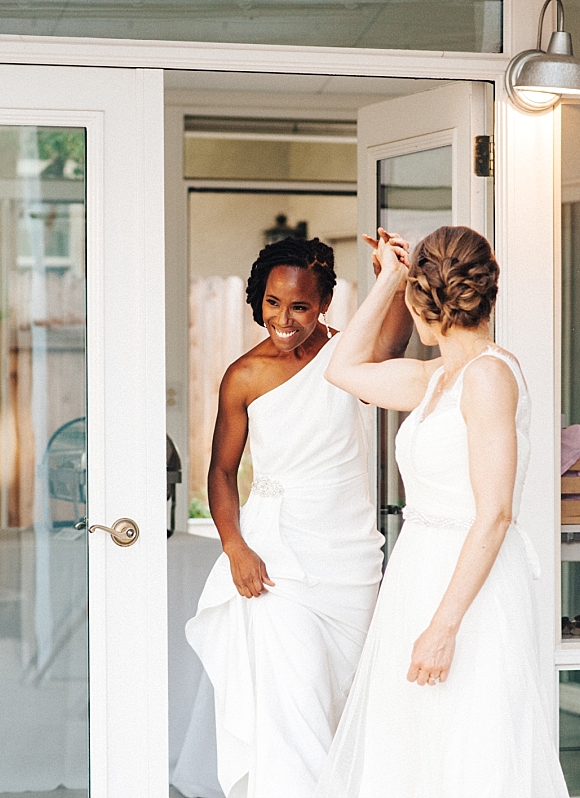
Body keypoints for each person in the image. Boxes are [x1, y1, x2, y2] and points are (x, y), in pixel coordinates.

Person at [315, 226, 570, 797]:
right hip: (419, 574)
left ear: (423, 304)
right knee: (413, 746)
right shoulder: (436, 379)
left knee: (471, 744)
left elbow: (495, 514)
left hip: (469, 590)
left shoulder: (488, 377)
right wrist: (387, 280)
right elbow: (343, 369)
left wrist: (443, 626)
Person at [185, 235, 412, 798]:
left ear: (324, 305)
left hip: (348, 556)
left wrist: (396, 276)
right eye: (272, 303)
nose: (283, 319)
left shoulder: (348, 355)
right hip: (275, 559)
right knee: (293, 706)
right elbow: (221, 472)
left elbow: (390, 346)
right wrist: (235, 546)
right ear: (258, 300)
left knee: (345, 703)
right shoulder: (243, 375)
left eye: (300, 306)